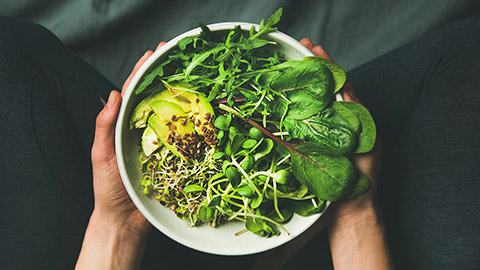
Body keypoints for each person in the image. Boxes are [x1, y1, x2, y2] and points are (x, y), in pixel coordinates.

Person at [1, 14, 479, 270]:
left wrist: (118, 224)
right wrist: (355, 215)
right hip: (335, 247)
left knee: (8, 52)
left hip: (137, 250)